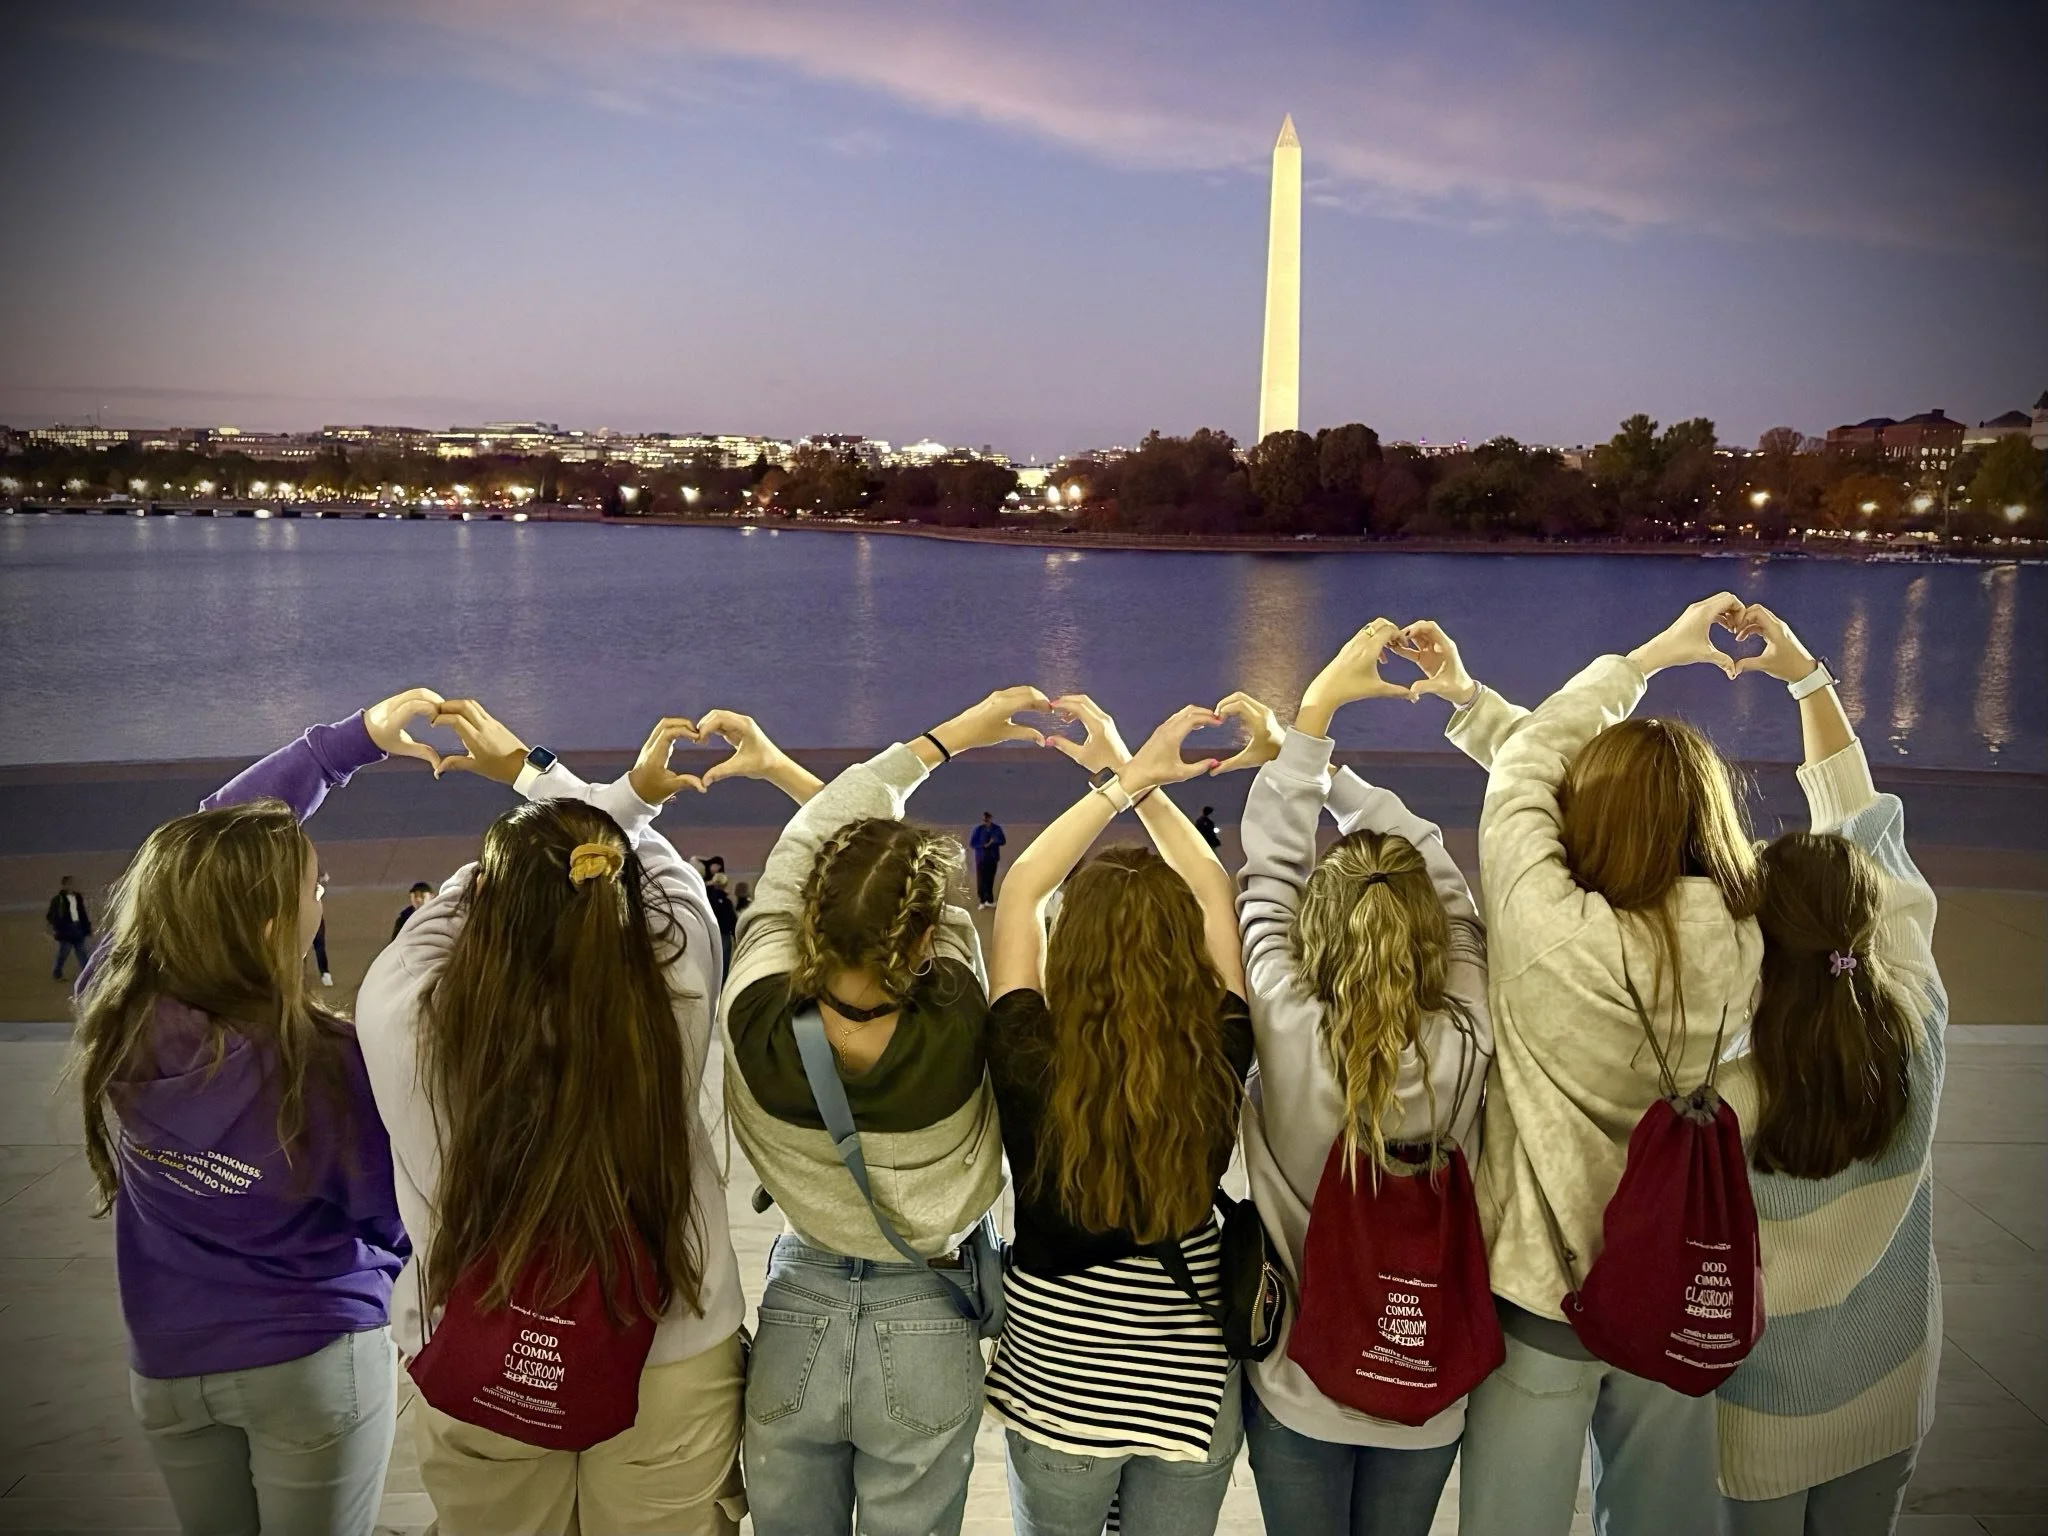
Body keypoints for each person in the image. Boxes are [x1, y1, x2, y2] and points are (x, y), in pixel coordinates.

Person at [355, 704, 804, 1536]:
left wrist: (531, 807)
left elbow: (451, 911)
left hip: (475, 1348)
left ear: (485, 898)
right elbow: (665, 885)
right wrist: (565, 782)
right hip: (667, 1353)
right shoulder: (676, 983)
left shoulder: (402, 1009)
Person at [1412, 597, 1763, 1536]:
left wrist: (1649, 655)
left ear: (1584, 821)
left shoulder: (1551, 931)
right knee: (1662, 1518)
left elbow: (1532, 772)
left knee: (1512, 1519)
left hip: (1542, 1288)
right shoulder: (1747, 938)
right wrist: (1469, 700)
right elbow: (1539, 778)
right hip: (1673, 1278)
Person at [72, 690, 437, 1536]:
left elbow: (201, 846)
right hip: (309, 1359)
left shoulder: (117, 1008)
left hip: (166, 1364)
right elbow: (400, 1220)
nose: (324, 893)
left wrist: (345, 745)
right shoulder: (327, 1066)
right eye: (318, 884)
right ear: (277, 922)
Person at [719, 686, 1049, 1536]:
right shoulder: (959, 1013)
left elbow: (803, 855)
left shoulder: (751, 1008)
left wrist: (941, 738)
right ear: (920, 942)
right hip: (929, 1314)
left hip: (800, 1309)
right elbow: (912, 912)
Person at [1229, 619, 1495, 1536]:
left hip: (1302, 1378)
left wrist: (1313, 722)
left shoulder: (1287, 1022)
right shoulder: (1469, 1024)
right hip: (1426, 1377)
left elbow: (1266, 876)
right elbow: (1443, 871)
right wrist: (1331, 768)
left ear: (1319, 930)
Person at [983, 697, 1251, 1536]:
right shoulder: (1217, 1047)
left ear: (1076, 945)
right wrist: (1132, 773)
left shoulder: (1032, 1058)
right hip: (1189, 1388)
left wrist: (1118, 777)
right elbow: (1210, 885)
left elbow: (1022, 887)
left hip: (1058, 1391)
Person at [1714, 604, 1945, 1536]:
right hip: (1889, 1382)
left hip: (1756, 1412)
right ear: (1867, 924)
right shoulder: (1919, 1020)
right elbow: (1869, 833)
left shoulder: (1728, 1088)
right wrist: (1809, 677)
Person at [48, 874, 93, 980]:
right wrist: (58, 926)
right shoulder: (58, 900)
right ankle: (57, 973)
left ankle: (87, 975)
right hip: (65, 929)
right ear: (64, 885)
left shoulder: (78, 898)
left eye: (72, 883)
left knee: (81, 952)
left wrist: (86, 927)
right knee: (63, 953)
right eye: (69, 883)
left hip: (77, 927)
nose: (72, 885)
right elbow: (51, 915)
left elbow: (82, 913)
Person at [971, 810, 1007, 907]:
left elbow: (1003, 841)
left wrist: (994, 842)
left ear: (990, 818)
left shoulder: (996, 829)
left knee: (990, 879)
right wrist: (983, 845)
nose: (986, 821)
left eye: (987, 819)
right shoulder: (978, 830)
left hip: (992, 858)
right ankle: (982, 900)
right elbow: (972, 843)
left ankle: (989, 900)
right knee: (981, 879)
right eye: (984, 819)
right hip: (981, 858)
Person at [311, 909, 333, 987]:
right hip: (316, 914)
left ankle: (299, 976)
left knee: (301, 947)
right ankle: (325, 973)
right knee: (319, 946)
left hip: (303, 915)